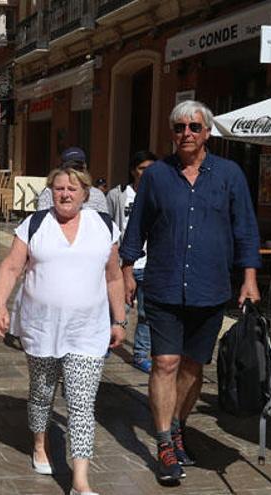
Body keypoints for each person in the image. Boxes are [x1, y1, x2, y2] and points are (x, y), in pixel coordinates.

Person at [120, 100, 261, 484]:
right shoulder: (156, 176)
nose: (186, 134)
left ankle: (179, 426)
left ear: (207, 132)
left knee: (193, 366)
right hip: (164, 285)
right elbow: (138, 227)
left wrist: (249, 278)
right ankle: (165, 442)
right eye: (179, 127)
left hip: (210, 287)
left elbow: (245, 228)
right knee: (165, 362)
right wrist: (128, 268)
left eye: (194, 127)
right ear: (172, 133)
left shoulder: (230, 175)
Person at [0, 166, 125, 495]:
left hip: (87, 331)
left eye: (72, 188)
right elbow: (11, 266)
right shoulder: (35, 224)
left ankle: (80, 481)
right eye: (59, 188)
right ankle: (40, 444)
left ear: (86, 193)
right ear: (51, 192)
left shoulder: (103, 225)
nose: (65, 194)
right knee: (41, 394)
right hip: (41, 329)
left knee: (81, 403)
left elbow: (114, 276)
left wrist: (119, 319)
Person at [106, 150, 157, 373]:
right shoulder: (118, 195)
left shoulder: (158, 195)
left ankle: (140, 354)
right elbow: (107, 226)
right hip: (122, 264)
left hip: (150, 265)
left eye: (151, 168)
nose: (146, 173)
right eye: (142, 168)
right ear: (133, 171)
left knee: (146, 313)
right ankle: (106, 343)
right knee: (118, 308)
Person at [37, 147, 109, 214]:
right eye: (69, 168)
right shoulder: (49, 192)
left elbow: (104, 223)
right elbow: (42, 220)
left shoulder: (98, 195)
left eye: (77, 168)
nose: (74, 172)